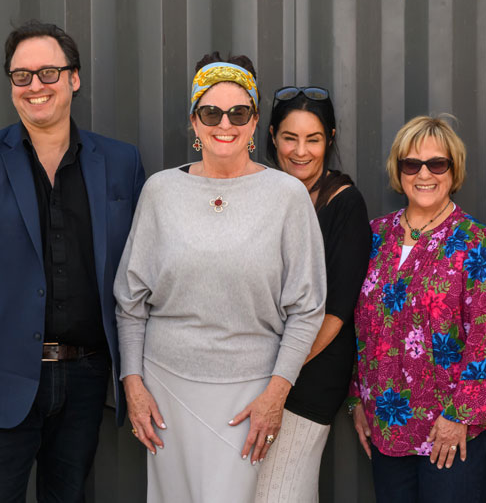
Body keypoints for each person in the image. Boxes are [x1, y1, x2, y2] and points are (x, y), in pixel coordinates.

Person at [0, 20, 145, 501]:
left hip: (86, 376)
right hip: (1, 371)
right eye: (21, 75)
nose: (35, 86)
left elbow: (137, 263)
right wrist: (1, 318)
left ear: (74, 78)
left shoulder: (121, 163)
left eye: (48, 72)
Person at [114, 53, 327, 502]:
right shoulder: (160, 191)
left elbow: (307, 308)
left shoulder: (287, 196)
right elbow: (130, 301)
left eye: (239, 113)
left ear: (255, 123)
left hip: (250, 394)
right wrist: (132, 383)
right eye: (211, 113)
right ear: (194, 122)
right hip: (165, 387)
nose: (224, 124)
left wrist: (276, 394)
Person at [349, 115, 486, 502]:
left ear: (453, 170)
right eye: (412, 164)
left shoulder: (473, 239)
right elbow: (360, 324)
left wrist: (459, 415)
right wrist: (357, 398)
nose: (424, 174)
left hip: (452, 429)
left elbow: (485, 332)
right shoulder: (375, 235)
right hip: (387, 422)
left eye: (437, 164)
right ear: (399, 171)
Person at [255, 86, 372, 502]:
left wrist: (278, 375)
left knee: (281, 491)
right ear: (272, 136)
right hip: (253, 374)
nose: (301, 151)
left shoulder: (345, 203)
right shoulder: (257, 193)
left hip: (309, 377)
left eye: (314, 139)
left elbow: (337, 311)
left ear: (330, 139)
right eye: (290, 137)